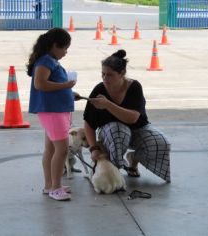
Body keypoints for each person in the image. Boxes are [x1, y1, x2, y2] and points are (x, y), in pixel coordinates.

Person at [83, 49, 171, 183]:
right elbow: (88, 123)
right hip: (111, 134)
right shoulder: (99, 89)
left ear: (122, 73)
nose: (105, 78)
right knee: (117, 130)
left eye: (110, 75)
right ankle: (114, 172)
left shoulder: (134, 87)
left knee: (161, 143)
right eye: (103, 74)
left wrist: (107, 104)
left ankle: (133, 160)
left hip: (137, 129)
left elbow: (133, 118)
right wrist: (94, 148)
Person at [27, 28, 78, 201]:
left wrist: (70, 94)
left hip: (56, 110)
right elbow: (40, 84)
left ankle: (50, 185)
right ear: (55, 46)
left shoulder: (50, 61)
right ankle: (55, 187)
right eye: (64, 48)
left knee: (51, 149)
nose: (66, 52)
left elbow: (52, 85)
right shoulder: (45, 62)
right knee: (61, 150)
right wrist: (66, 87)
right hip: (52, 111)